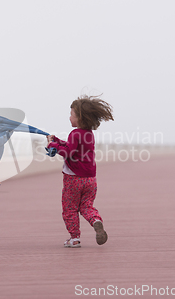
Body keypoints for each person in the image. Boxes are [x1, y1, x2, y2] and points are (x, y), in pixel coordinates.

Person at [46, 94, 114, 248]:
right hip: (90, 180)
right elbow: (72, 147)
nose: (69, 117)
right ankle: (96, 221)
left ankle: (75, 238)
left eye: (71, 114)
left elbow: (68, 152)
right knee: (86, 206)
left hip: (73, 180)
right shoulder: (88, 134)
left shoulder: (75, 133)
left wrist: (52, 146)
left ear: (80, 118)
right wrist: (57, 141)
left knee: (70, 209)